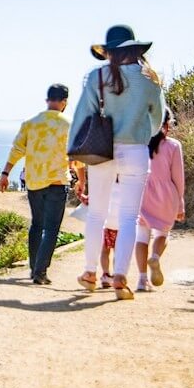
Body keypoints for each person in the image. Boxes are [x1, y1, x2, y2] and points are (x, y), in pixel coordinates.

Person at [69, 25, 165, 300]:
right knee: (129, 217)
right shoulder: (150, 79)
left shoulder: (96, 77)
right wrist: (140, 129)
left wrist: (74, 155)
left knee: (97, 215)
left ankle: (90, 273)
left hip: (101, 151)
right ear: (135, 49)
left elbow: (81, 118)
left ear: (109, 51)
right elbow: (157, 122)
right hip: (135, 150)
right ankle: (121, 277)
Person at [0, 84, 71, 285]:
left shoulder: (30, 123)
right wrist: (82, 180)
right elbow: (76, 155)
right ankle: (40, 271)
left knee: (37, 224)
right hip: (57, 182)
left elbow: (16, 150)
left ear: (47, 100)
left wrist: (5, 173)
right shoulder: (69, 124)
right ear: (64, 102)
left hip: (34, 182)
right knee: (52, 228)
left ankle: (33, 268)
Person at [134, 110, 185, 292]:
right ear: (167, 123)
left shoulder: (139, 144)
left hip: (142, 194)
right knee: (162, 234)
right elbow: (178, 178)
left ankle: (141, 279)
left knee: (141, 237)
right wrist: (180, 203)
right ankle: (155, 257)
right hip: (166, 195)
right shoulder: (173, 145)